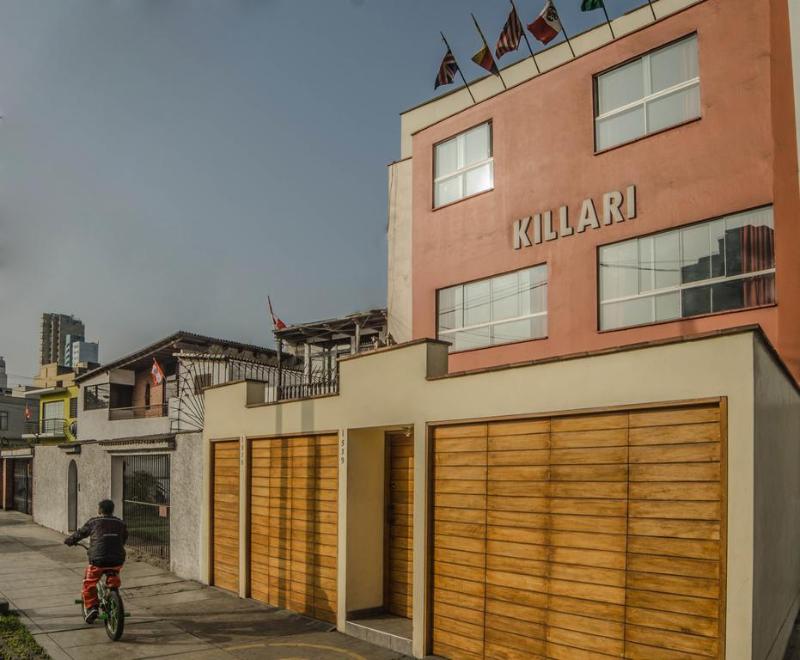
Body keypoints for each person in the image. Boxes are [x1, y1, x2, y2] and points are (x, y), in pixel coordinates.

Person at [64, 499, 128, 623]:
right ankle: (113, 592)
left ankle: (92, 608)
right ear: (112, 510)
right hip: (117, 559)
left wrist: (70, 540)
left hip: (98, 559)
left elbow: (80, 533)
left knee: (89, 583)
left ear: (100, 510)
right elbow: (124, 538)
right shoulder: (120, 523)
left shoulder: (93, 522)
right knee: (114, 575)